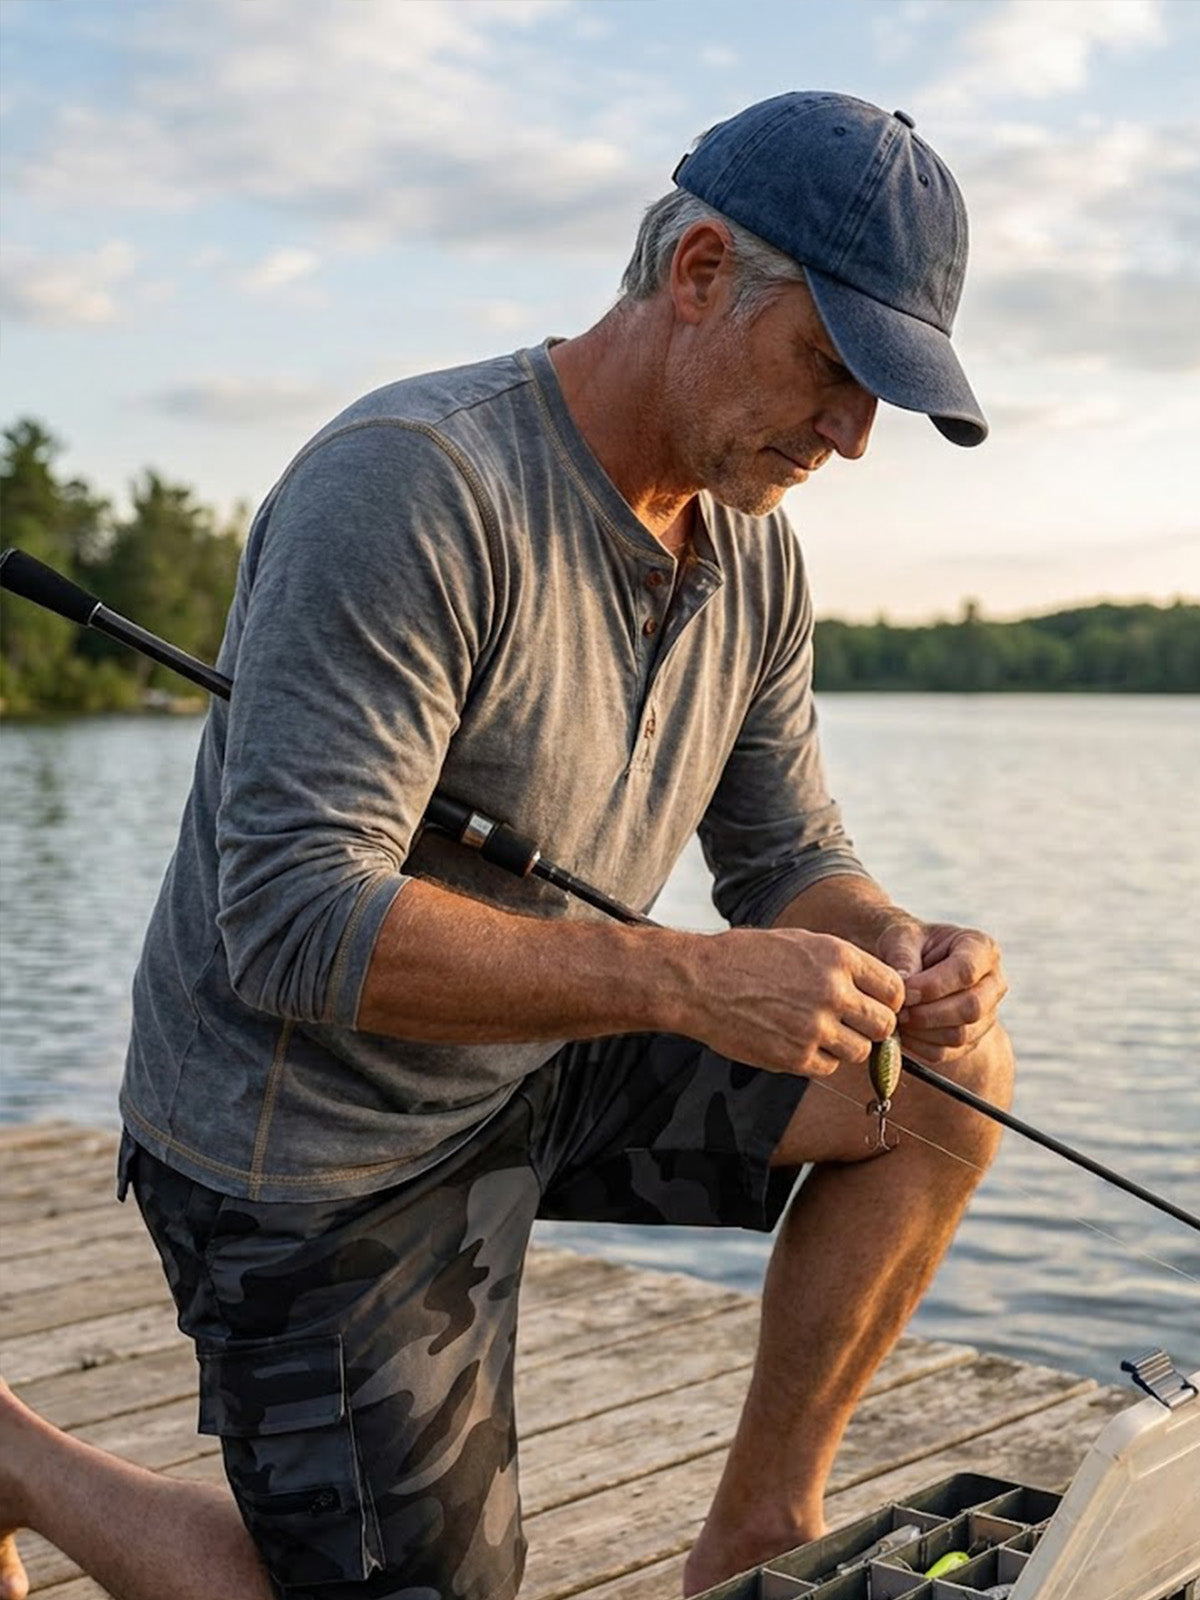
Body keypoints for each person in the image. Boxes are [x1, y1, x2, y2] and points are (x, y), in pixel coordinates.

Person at [0, 90, 1012, 1600]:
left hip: (538, 1055)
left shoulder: (756, 561)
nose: (853, 436)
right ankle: (17, 1458)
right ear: (700, 272)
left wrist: (892, 945)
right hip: (304, 1142)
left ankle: (758, 1528)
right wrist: (678, 983)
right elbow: (287, 923)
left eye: (885, 395)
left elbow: (791, 852)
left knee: (940, 1078)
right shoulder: (414, 484)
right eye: (835, 366)